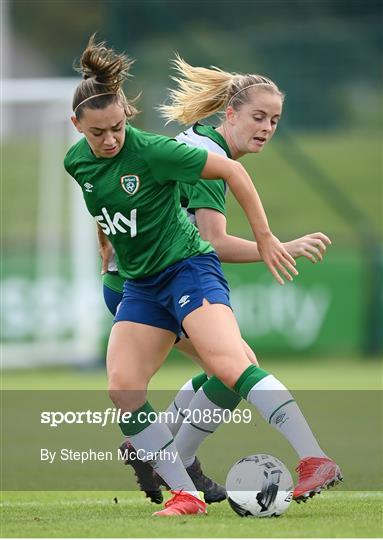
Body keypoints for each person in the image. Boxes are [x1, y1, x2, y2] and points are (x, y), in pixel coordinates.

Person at [64, 36, 341, 517]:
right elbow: (206, 237)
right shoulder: (192, 155)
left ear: (127, 118)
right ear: (228, 114)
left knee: (229, 367)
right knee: (230, 367)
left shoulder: (163, 147)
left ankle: (175, 468)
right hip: (149, 281)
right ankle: (184, 466)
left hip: (167, 274)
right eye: (259, 117)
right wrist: (271, 242)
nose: (268, 128)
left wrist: (272, 241)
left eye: (274, 120)